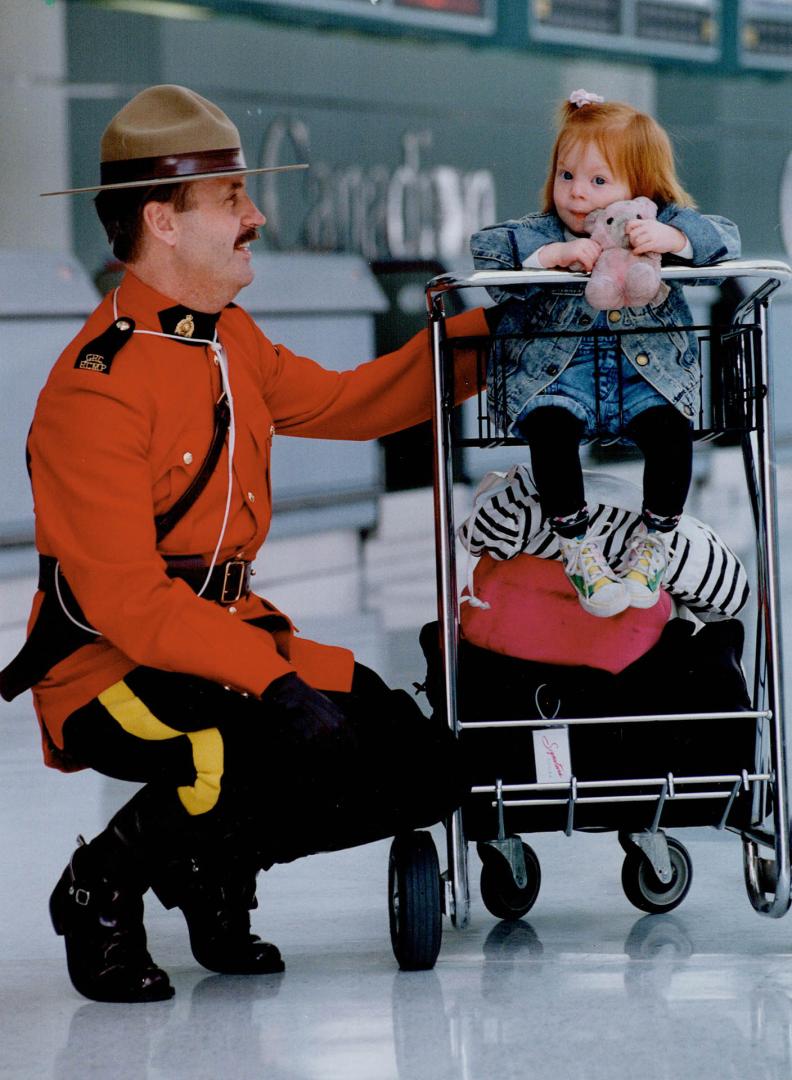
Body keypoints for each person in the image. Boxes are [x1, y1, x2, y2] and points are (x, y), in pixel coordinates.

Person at [0, 84, 490, 1003]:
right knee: (231, 744)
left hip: (229, 635)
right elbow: (132, 606)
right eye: (232, 197)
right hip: (109, 668)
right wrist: (274, 681)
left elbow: (352, 403)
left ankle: (208, 865)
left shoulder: (231, 341)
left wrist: (495, 331)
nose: (255, 215)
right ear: (164, 221)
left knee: (424, 767)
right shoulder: (91, 388)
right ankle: (101, 886)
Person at [470, 89, 740, 618]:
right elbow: (486, 249)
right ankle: (577, 545)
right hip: (559, 380)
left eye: (598, 181)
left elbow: (725, 242)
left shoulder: (660, 227)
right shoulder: (541, 232)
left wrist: (673, 238)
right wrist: (553, 256)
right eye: (565, 176)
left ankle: (654, 539)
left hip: (648, 380)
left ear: (641, 190)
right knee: (549, 432)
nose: (576, 194)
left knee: (671, 434)